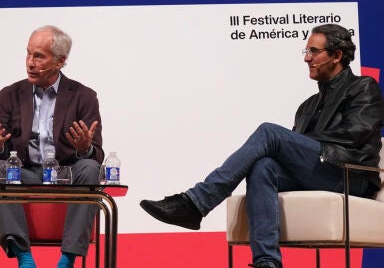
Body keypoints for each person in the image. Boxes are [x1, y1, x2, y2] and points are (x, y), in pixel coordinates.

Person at [140, 23, 384, 268]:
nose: (307, 59)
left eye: (314, 51)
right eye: (306, 52)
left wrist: (289, 143)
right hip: (320, 172)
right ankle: (267, 261)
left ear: (337, 56)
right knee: (263, 165)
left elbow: (354, 135)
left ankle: (196, 202)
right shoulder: (308, 106)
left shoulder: (363, 87)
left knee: (270, 133)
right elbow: (296, 153)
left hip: (350, 176)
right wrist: (290, 146)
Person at [0, 25, 103, 268]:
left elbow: (97, 153)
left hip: (64, 174)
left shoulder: (84, 96)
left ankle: (67, 259)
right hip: (25, 172)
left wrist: (84, 148)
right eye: (28, 54)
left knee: (90, 168)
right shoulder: (10, 95)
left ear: (59, 61)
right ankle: (24, 258)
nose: (30, 62)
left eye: (39, 56)